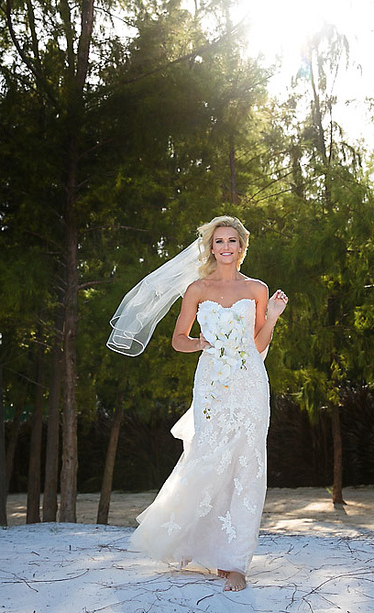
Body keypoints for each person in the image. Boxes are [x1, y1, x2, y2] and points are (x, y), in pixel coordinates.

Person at [107, 216, 288, 592]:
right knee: (208, 457)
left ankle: (234, 562)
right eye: (219, 241)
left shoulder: (257, 288)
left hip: (250, 382)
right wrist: (202, 344)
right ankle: (190, 540)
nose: (225, 247)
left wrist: (270, 317)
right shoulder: (196, 289)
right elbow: (178, 339)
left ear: (242, 247)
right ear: (211, 247)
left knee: (247, 464)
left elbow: (256, 345)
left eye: (232, 241)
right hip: (211, 384)